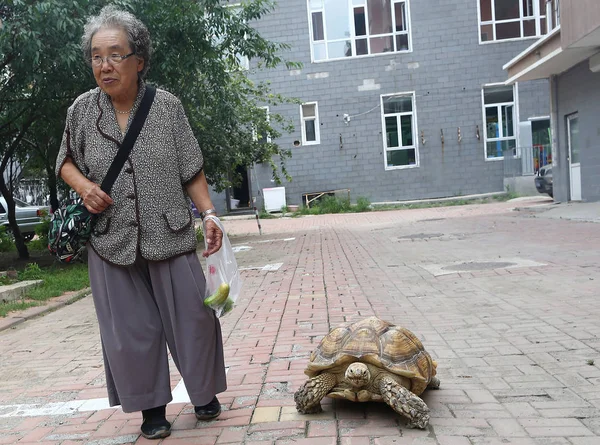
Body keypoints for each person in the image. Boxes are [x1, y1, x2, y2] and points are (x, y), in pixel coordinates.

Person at [55, 6, 227, 440]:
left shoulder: (166, 106)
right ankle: (152, 409)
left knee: (194, 318)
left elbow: (191, 169)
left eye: (115, 55)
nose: (104, 65)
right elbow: (65, 162)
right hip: (111, 239)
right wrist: (84, 187)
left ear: (139, 60)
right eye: (96, 56)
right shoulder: (81, 110)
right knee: (130, 330)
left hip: (167, 230)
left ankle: (203, 393)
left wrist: (208, 214)